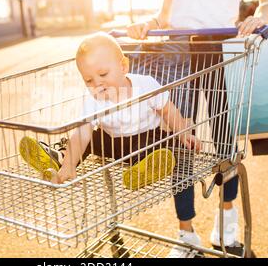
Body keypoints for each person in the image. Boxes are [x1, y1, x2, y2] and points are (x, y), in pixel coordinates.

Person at [126, 0, 268, 257]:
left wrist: (261, 17)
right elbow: (166, 14)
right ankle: (186, 236)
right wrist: (149, 24)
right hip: (178, 52)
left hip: (222, 51)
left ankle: (226, 226)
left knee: (224, 145)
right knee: (181, 145)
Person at [19, 32, 201, 188]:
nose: (97, 83)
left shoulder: (146, 85)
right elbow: (82, 134)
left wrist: (183, 133)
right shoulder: (93, 100)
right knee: (89, 138)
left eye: (103, 74)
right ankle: (62, 158)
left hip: (145, 139)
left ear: (123, 66)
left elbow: (168, 111)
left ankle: (145, 168)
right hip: (114, 145)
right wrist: (70, 165)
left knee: (158, 142)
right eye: (88, 80)